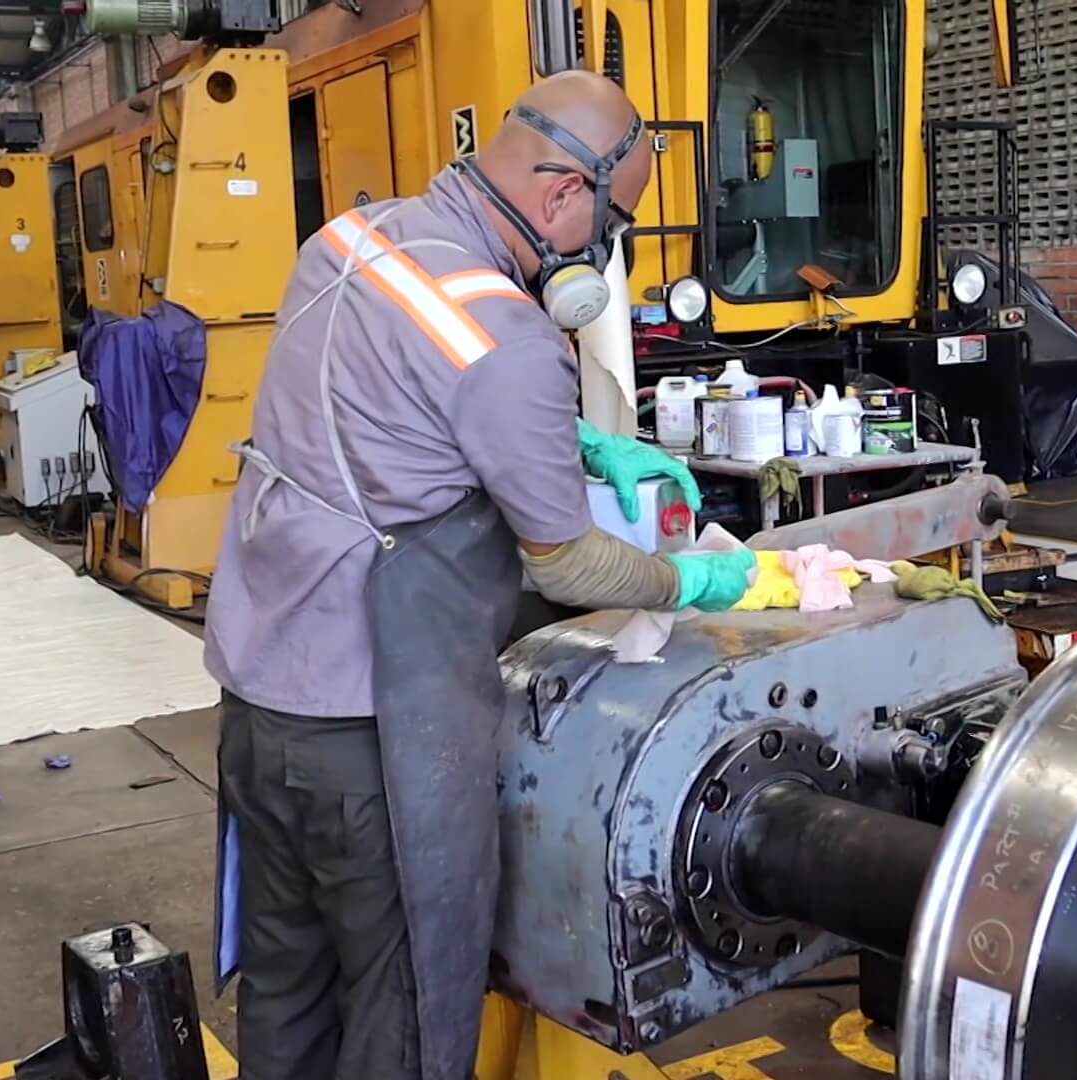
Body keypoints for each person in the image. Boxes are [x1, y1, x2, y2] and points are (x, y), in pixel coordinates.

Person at [202, 70, 755, 1080]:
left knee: (289, 992)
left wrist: (580, 441)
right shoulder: (502, 331)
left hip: (260, 705)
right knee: (408, 1008)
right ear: (558, 196)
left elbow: (397, 398)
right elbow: (570, 559)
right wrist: (693, 582)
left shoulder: (349, 241)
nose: (603, 248)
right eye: (612, 218)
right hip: (376, 741)